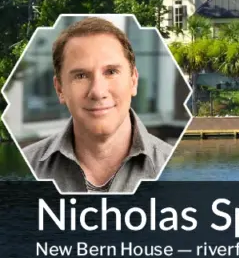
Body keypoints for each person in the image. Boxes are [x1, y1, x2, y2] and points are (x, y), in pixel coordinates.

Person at [22, 17, 174, 193]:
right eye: (80, 76)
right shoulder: (27, 165)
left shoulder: (173, 166)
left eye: (111, 72)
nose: (97, 91)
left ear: (133, 81)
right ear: (60, 89)